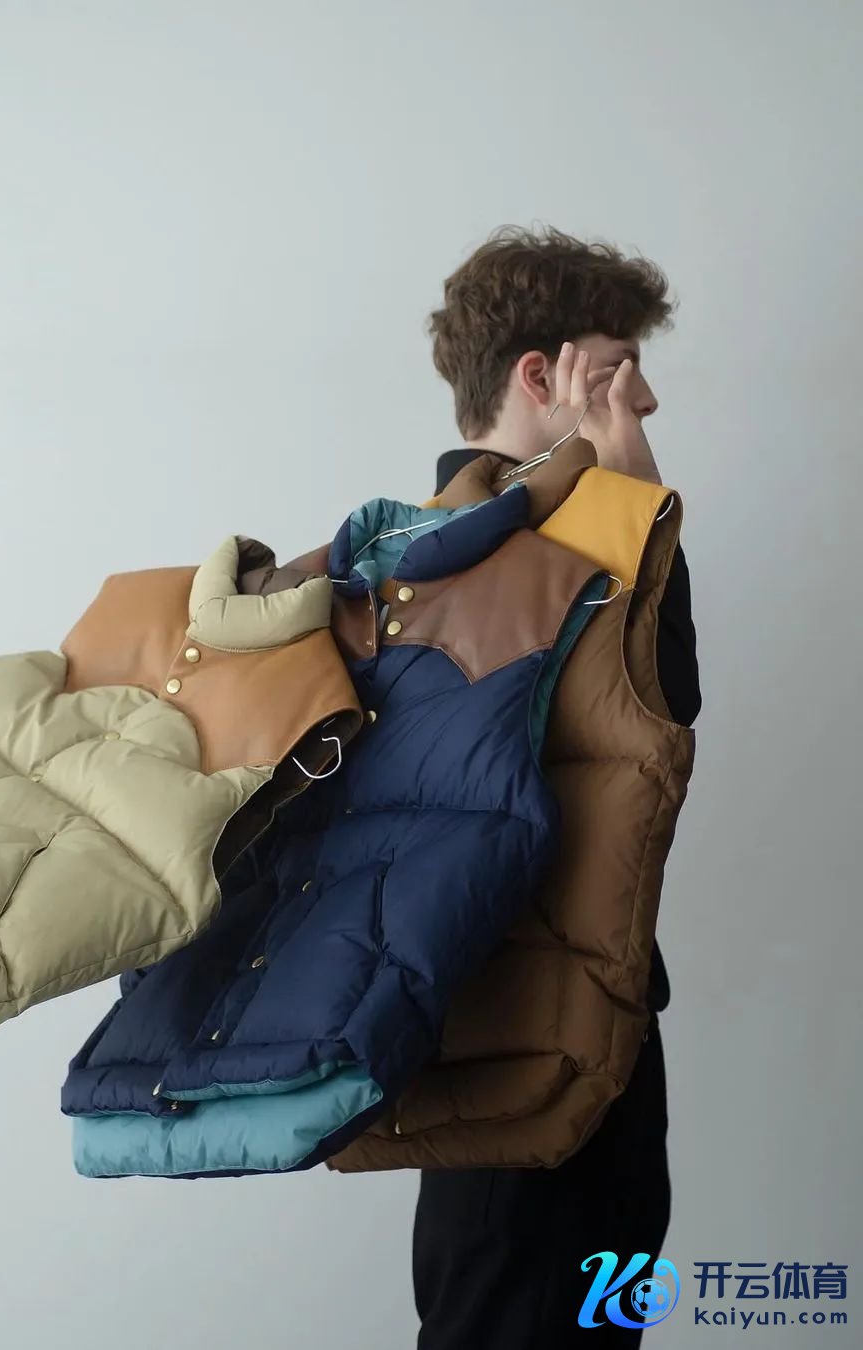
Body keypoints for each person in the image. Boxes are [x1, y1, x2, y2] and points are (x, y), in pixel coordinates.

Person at [411, 226, 702, 1348]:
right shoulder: (452, 562)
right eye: (622, 371)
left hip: (589, 1024)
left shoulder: (542, 540)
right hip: (517, 1044)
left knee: (603, 1318)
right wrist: (634, 501)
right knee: (513, 1320)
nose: (648, 400)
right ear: (543, 377)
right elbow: (663, 705)